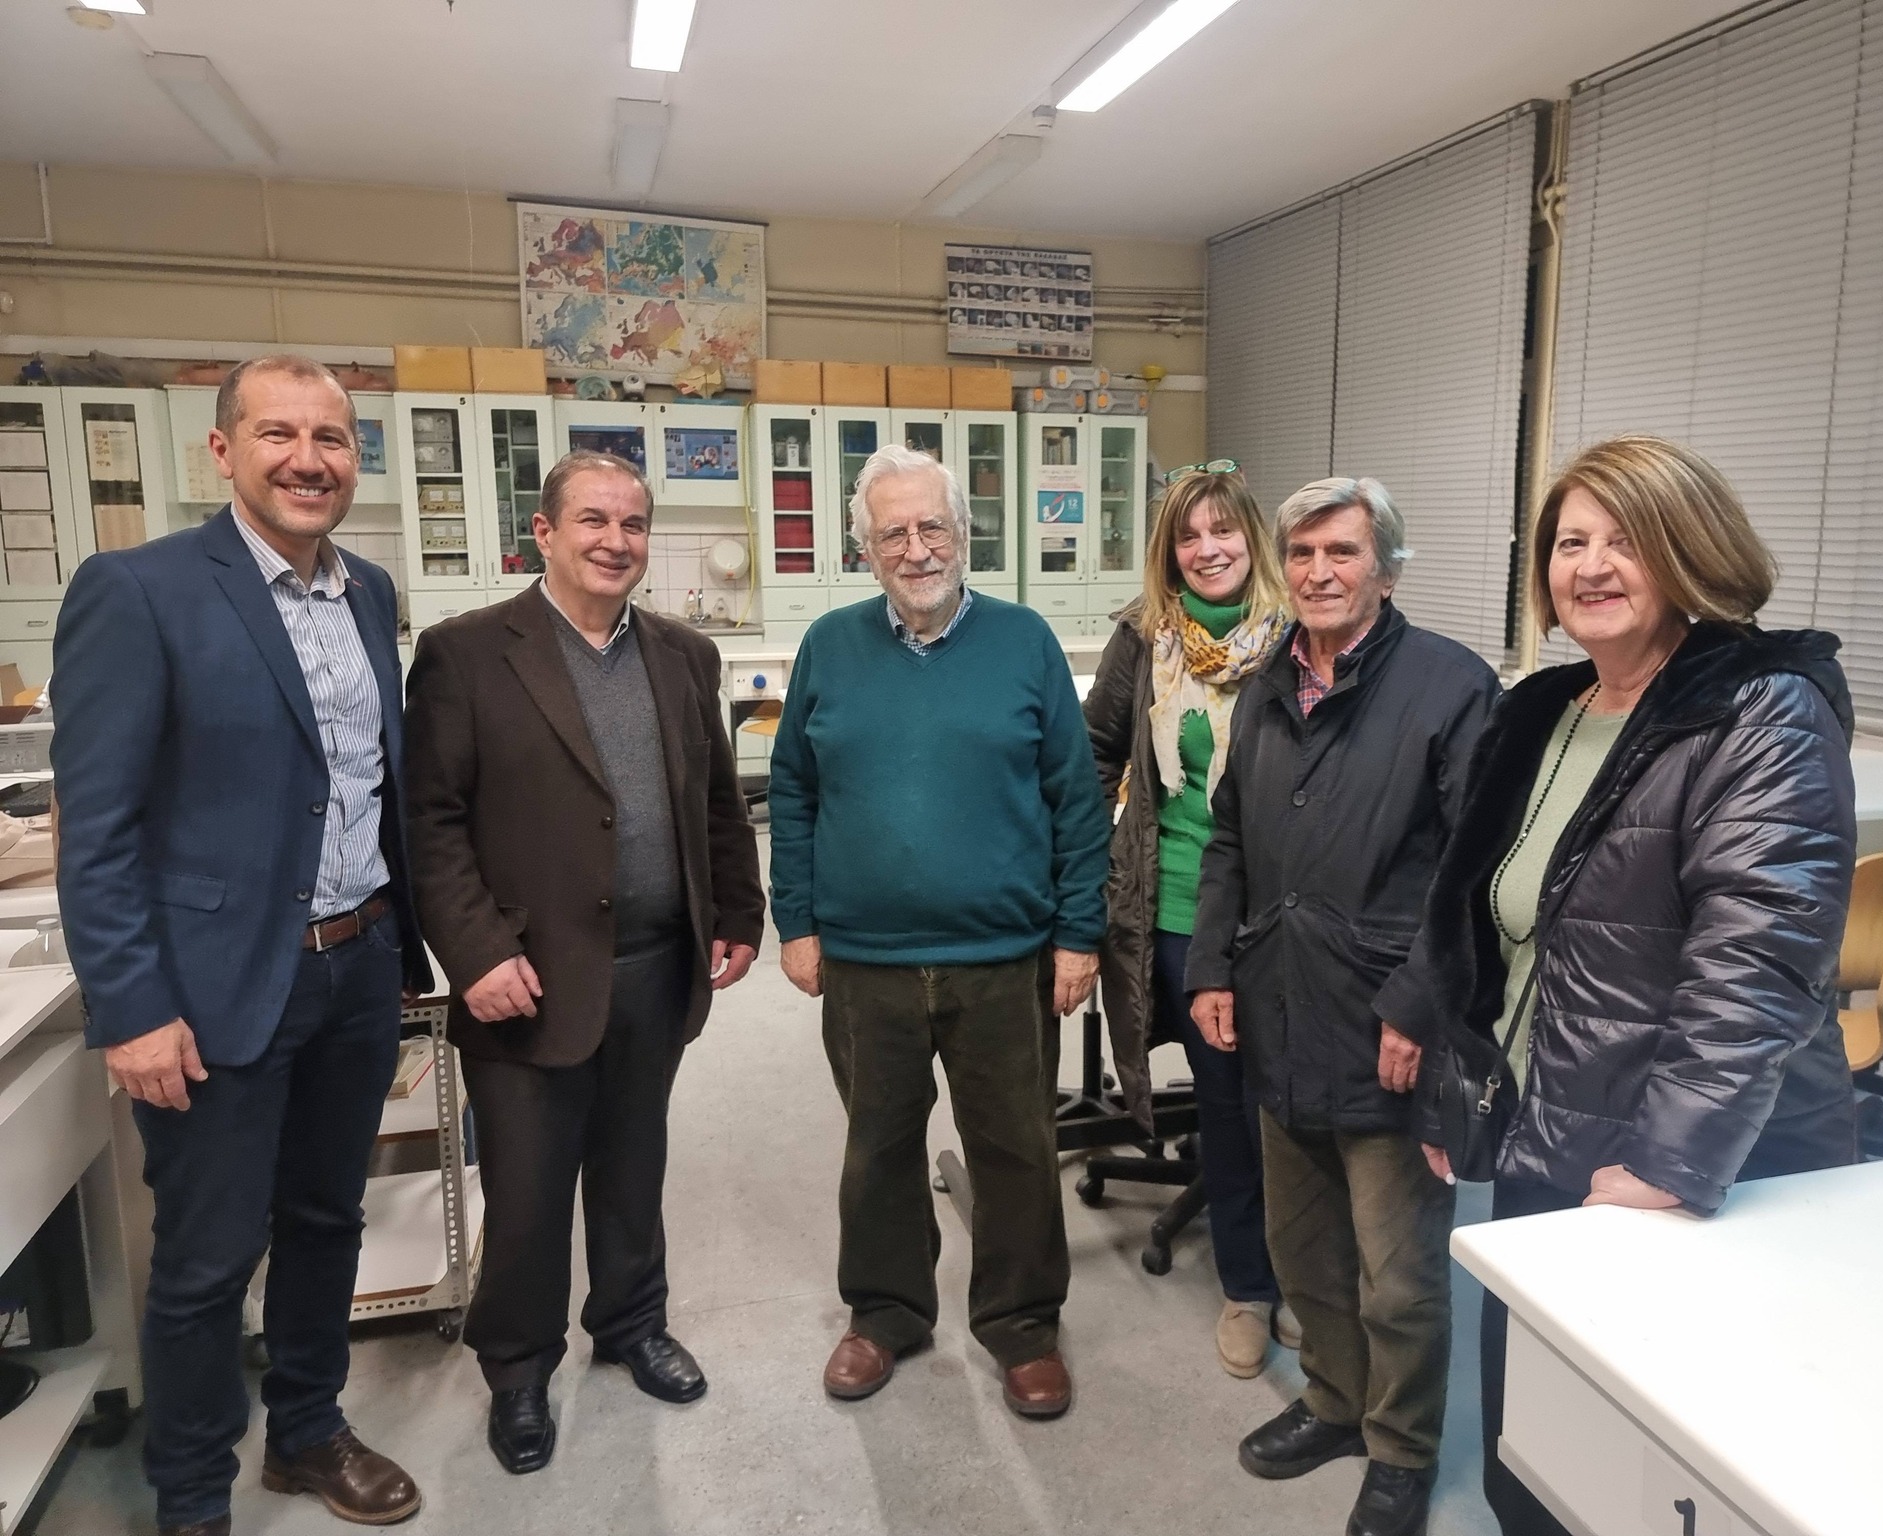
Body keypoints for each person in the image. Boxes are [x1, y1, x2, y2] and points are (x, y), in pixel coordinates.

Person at [1374, 435, 1858, 1536]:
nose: (1588, 565)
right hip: (1553, 1138)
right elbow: (1483, 928)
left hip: (1681, 1166)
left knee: (1654, 1489)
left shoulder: (1759, 710)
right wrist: (1459, 1093)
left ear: (1690, 551)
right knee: (1533, 1463)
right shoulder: (1542, 710)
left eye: (1624, 540)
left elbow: (1758, 963)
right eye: (1569, 541)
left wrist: (1667, 1163)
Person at [53, 355, 432, 1535]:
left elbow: (367, 783)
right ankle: (193, 1497)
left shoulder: (367, 591)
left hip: (357, 965)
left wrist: (405, 949)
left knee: (327, 1219)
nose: (308, 460)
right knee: (209, 1258)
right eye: (278, 434)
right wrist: (130, 1006)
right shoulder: (139, 590)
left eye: (332, 439)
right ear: (221, 451)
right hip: (214, 986)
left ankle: (307, 1433)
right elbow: (96, 828)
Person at [404, 450, 764, 1475]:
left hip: (656, 962)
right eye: (593, 521)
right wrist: (475, 952)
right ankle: (518, 1369)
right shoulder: (468, 654)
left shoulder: (684, 655)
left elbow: (715, 801)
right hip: (527, 976)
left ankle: (630, 1324)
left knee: (633, 1164)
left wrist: (737, 910)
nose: (615, 541)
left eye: (633, 524)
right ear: (545, 533)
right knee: (525, 1191)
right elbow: (430, 820)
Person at [769, 444, 1110, 1420]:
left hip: (1003, 959)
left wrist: (1078, 933)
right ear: (865, 549)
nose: (916, 549)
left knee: (1013, 1149)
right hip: (864, 962)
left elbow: (1075, 800)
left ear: (963, 533)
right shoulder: (829, 647)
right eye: (893, 533)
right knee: (877, 1148)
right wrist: (796, 921)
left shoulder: (1024, 642)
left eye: (932, 527)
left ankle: (1022, 1324)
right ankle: (886, 1312)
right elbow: (792, 791)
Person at [1185, 477, 1498, 1536]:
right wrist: (1210, 968)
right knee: (1304, 1248)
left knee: (1397, 1275)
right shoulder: (1270, 683)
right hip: (1276, 1004)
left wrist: (1419, 1004)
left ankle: (1401, 1449)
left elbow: (1474, 872)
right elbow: (1229, 838)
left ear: (1387, 569)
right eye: (1303, 553)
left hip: (1385, 1026)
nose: (1319, 572)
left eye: (1343, 552)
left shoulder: (1450, 687)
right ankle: (1332, 1401)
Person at [1082, 463, 1300, 1378]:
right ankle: (1249, 1286)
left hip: (1284, 913)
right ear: (1168, 553)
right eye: (1187, 536)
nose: (1207, 550)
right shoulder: (1145, 639)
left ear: (1254, 536)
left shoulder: (1302, 634)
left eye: (1223, 530)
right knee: (1225, 1105)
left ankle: (1304, 1275)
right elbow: (1095, 753)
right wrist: (1101, 864)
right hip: (1178, 908)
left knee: (1295, 1107)